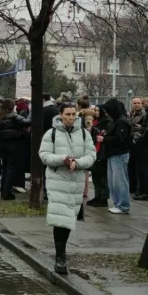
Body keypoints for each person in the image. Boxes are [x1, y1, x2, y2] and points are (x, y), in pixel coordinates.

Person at [40, 102, 96, 275]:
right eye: (68, 114)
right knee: (61, 220)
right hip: (58, 181)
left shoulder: (85, 134)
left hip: (76, 182)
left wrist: (78, 163)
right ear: (61, 115)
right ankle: (60, 256)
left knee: (68, 219)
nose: (71, 118)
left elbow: (91, 155)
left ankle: (62, 253)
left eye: (74, 115)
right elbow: (44, 155)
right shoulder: (52, 134)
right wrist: (62, 158)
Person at [0, 98, 30, 200]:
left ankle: (3, 191)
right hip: (13, 145)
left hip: (2, 146)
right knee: (10, 169)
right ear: (12, 106)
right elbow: (27, 122)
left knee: (5, 168)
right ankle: (7, 192)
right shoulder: (13, 116)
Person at [99, 98, 132, 215]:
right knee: (114, 181)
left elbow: (120, 139)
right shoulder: (117, 120)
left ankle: (123, 205)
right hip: (113, 154)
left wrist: (105, 139)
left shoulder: (121, 121)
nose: (107, 113)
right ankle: (118, 203)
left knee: (120, 181)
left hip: (119, 154)